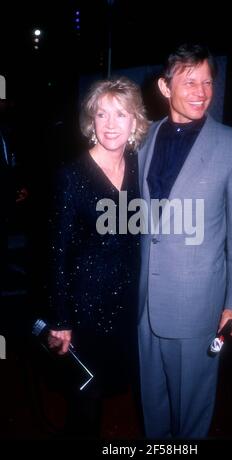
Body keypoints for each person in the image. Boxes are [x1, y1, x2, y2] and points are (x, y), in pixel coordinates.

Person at [137, 43, 232, 439]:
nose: (201, 91)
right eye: (189, 81)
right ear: (164, 86)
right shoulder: (140, 141)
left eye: (207, 82)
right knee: (152, 405)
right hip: (142, 304)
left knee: (190, 415)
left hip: (196, 306)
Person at [44, 76, 148, 438]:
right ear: (91, 121)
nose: (110, 125)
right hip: (84, 309)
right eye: (101, 115)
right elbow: (56, 253)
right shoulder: (71, 176)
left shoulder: (139, 169)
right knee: (86, 402)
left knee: (116, 392)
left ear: (135, 120)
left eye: (120, 115)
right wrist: (60, 319)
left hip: (127, 307)